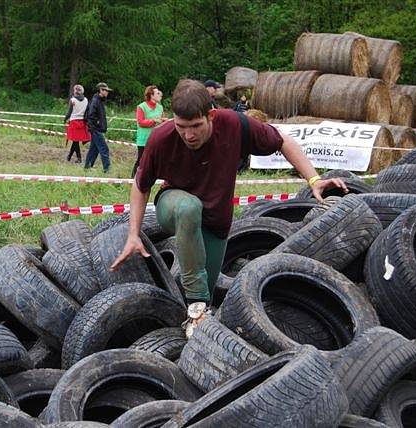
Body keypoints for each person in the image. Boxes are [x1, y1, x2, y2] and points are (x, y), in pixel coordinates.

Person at [109, 79, 347, 335]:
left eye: (196, 126)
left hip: (216, 220)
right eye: (181, 126)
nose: (188, 135)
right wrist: (133, 234)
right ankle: (196, 306)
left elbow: (284, 142)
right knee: (190, 212)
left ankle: (192, 330)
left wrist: (314, 179)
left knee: (204, 297)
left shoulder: (235, 124)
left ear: (211, 115)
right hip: (174, 204)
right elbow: (141, 185)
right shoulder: (161, 138)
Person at [132, 85, 166, 178]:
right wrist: (154, 121)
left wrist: (164, 121)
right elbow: (140, 122)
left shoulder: (160, 107)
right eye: (158, 93)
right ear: (151, 95)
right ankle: (132, 179)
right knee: (141, 160)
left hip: (156, 139)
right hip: (144, 139)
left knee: (157, 160)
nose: (160, 95)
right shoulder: (141, 107)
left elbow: (161, 119)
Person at [85, 82, 112, 173]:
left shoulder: (99, 100)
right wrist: (97, 124)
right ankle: (107, 169)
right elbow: (91, 115)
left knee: (94, 149)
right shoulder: (95, 101)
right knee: (104, 149)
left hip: (96, 128)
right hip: (96, 129)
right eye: (106, 91)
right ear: (101, 90)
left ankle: (87, 167)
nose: (107, 92)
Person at [64, 84, 90, 163]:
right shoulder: (86, 100)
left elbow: (69, 112)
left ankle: (79, 158)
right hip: (82, 122)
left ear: (75, 91)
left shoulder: (73, 100)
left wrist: (65, 119)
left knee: (75, 141)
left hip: (74, 121)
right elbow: (87, 111)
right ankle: (69, 157)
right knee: (76, 141)